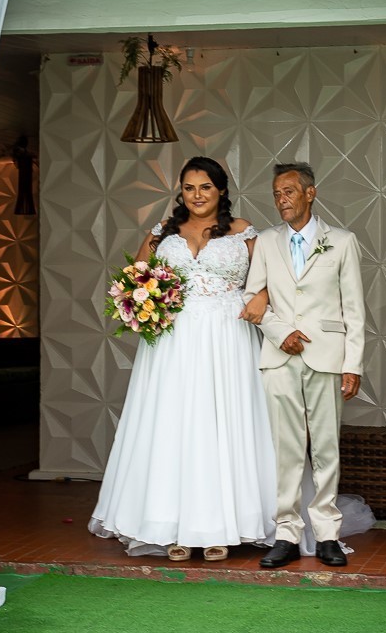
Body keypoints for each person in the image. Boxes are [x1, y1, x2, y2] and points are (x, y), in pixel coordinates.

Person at [89, 156, 277, 562]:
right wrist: (139, 305)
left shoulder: (244, 231)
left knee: (222, 424)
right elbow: (135, 278)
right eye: (189, 188)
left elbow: (270, 280)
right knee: (175, 426)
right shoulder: (163, 232)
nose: (197, 196)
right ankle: (172, 526)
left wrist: (260, 295)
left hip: (227, 337)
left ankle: (224, 527)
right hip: (173, 342)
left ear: (222, 190)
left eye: (205, 187)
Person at [243, 162, 366, 569]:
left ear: (310, 193)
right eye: (277, 194)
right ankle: (286, 533)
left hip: (328, 356)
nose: (281, 200)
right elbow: (253, 298)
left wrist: (353, 364)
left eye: (289, 192)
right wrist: (281, 334)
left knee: (327, 447)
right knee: (287, 450)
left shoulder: (343, 241)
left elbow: (355, 309)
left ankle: (328, 533)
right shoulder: (264, 241)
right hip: (279, 358)